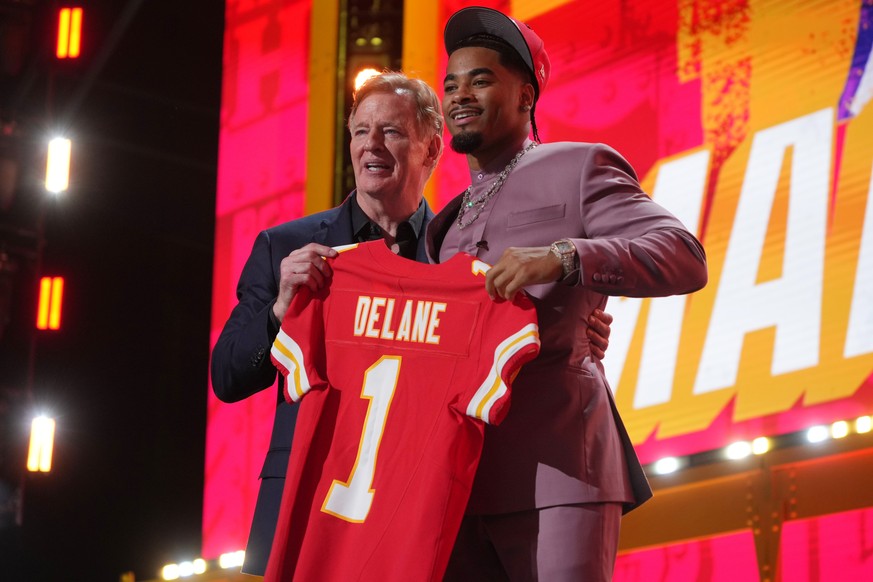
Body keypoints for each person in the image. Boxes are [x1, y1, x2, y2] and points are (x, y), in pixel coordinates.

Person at [210, 71, 617, 575]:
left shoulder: (458, 254)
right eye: (361, 131)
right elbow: (227, 375)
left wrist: (573, 332)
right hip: (311, 505)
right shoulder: (287, 247)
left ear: (432, 149)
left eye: (392, 132)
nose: (371, 145)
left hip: (417, 516)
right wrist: (281, 308)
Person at [425, 7, 708, 581]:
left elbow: (683, 254)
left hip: (559, 465)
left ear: (526, 95)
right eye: (451, 85)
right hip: (458, 481)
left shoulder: (579, 165)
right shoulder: (443, 224)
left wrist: (566, 256)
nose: (460, 96)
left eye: (480, 80)